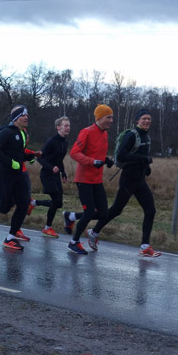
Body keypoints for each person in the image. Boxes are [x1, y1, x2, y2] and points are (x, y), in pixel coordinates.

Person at [92, 108, 162, 257]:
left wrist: (146, 167)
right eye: (144, 118)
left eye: (149, 119)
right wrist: (144, 160)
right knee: (116, 210)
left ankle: (145, 246)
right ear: (137, 121)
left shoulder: (146, 137)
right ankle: (94, 231)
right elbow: (123, 155)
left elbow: (142, 155)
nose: (147, 121)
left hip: (140, 180)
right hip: (128, 179)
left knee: (150, 210)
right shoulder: (132, 135)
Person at [0, 105, 35, 251]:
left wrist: (29, 157)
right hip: (6, 174)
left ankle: (11, 237)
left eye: (27, 115)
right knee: (5, 207)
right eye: (23, 115)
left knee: (23, 203)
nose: (26, 117)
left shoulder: (22, 133)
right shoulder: (6, 132)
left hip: (19, 174)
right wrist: (11, 163)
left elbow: (18, 152)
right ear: (16, 118)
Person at [67, 104, 114, 255]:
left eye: (112, 117)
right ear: (99, 118)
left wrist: (105, 160)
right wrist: (92, 162)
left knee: (103, 213)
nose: (111, 120)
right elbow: (74, 153)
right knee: (88, 213)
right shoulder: (86, 132)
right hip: (84, 179)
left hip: (96, 180)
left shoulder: (104, 134)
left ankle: (71, 216)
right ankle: (73, 242)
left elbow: (96, 153)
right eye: (108, 117)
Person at [35, 116, 71, 238]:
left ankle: (34, 203)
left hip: (55, 175)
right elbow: (39, 157)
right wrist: (51, 167)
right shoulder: (51, 141)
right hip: (46, 174)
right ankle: (47, 228)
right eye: (65, 125)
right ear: (58, 127)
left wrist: (63, 173)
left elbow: (59, 160)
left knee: (59, 203)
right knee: (56, 200)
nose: (68, 128)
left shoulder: (65, 143)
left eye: (69, 125)